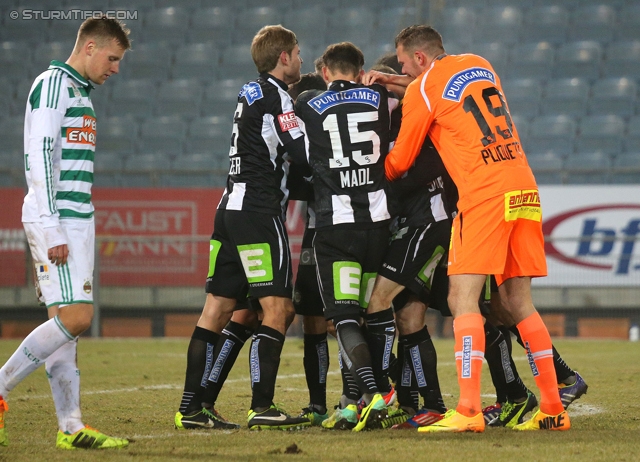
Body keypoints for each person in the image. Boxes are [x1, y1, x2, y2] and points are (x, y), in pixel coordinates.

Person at [365, 25, 569, 432]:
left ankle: (469, 410)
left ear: (419, 60)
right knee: (517, 301)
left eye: (403, 64)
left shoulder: (423, 90)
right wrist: (392, 80)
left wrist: (371, 172)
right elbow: (439, 90)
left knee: (462, 297)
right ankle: (552, 409)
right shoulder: (480, 65)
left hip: (484, 193)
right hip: (521, 185)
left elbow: (400, 160)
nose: (402, 70)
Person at [0, 16, 130, 449]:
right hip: (56, 219)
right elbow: (39, 154)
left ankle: (71, 426)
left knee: (64, 325)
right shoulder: (54, 83)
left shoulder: (81, 93)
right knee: (77, 318)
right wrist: (52, 224)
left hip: (77, 220)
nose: (115, 68)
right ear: (89, 46)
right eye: (112, 58)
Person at [174, 25, 310, 431]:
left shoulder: (249, 92)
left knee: (216, 309)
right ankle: (262, 405)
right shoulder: (278, 97)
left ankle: (192, 408)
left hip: (229, 207)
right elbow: (301, 156)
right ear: (283, 57)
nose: (301, 59)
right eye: (298, 52)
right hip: (257, 211)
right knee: (278, 309)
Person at [295, 42, 399, 432]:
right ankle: (357, 401)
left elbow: (297, 142)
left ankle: (372, 394)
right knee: (369, 310)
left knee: (342, 315)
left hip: (335, 227)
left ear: (325, 72)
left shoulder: (308, 101)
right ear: (359, 70)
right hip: (377, 223)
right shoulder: (377, 96)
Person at [287, 73, 332, 426]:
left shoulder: (323, 132)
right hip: (315, 236)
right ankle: (318, 405)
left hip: (334, 232)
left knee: (351, 319)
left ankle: (362, 396)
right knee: (313, 320)